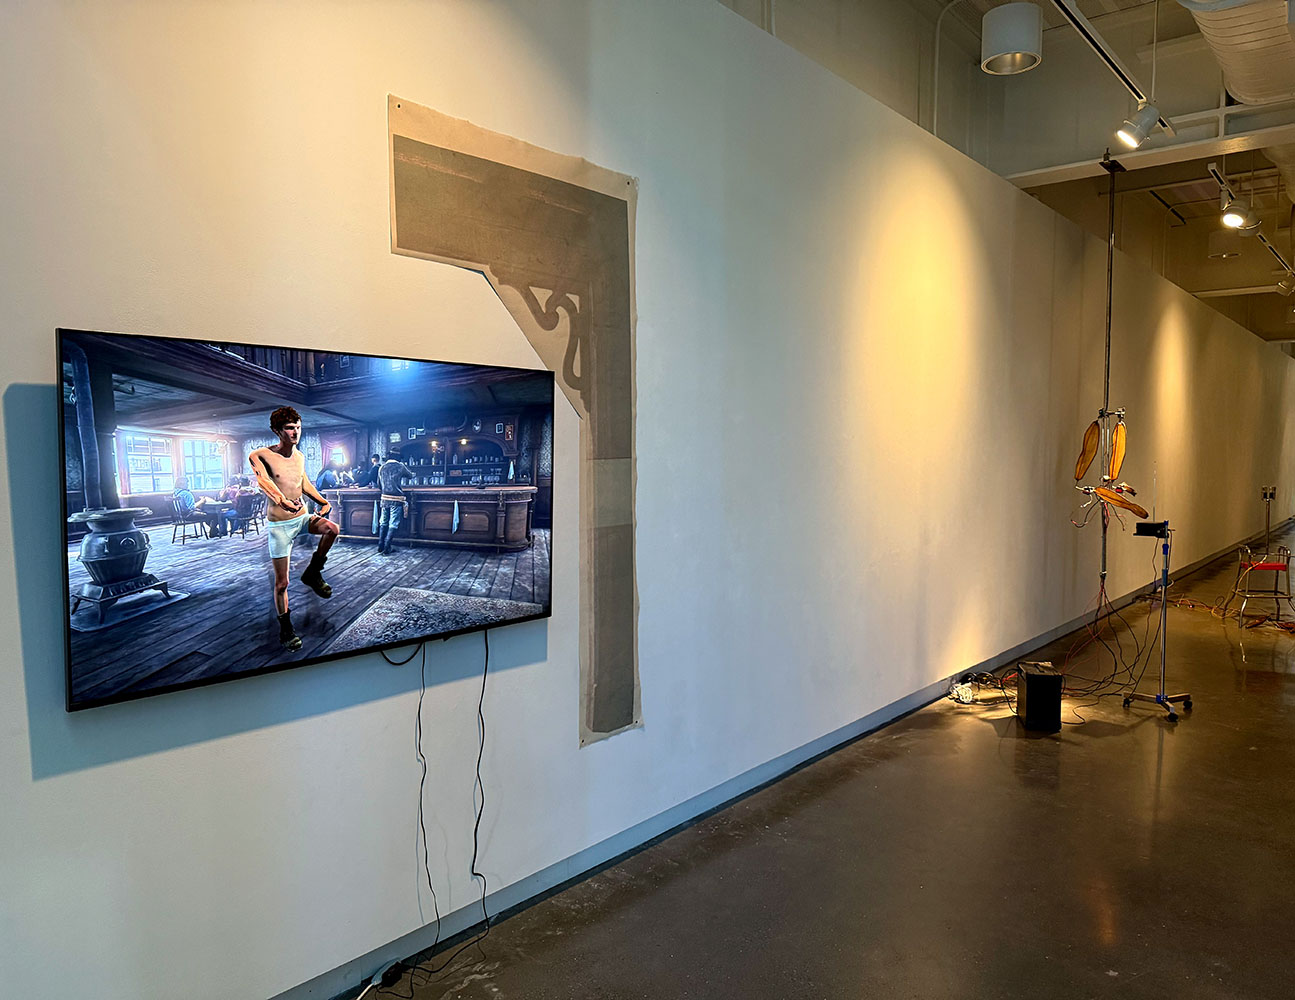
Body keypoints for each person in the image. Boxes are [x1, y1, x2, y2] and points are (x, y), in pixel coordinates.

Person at [249, 406, 341, 651]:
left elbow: (304, 482)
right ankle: (286, 629)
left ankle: (313, 572)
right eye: (289, 428)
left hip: (301, 518)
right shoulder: (260, 455)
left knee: (332, 528)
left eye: (298, 427)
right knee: (282, 584)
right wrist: (282, 501)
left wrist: (322, 500)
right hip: (280, 525)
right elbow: (264, 482)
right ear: (277, 430)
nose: (295, 432)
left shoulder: (299, 456)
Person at [376, 450, 416, 555]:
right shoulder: (400, 466)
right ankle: (387, 546)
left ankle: (380, 545)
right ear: (398, 457)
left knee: (383, 521)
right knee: (393, 522)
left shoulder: (381, 467)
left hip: (384, 498)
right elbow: (411, 476)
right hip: (396, 498)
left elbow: (378, 484)